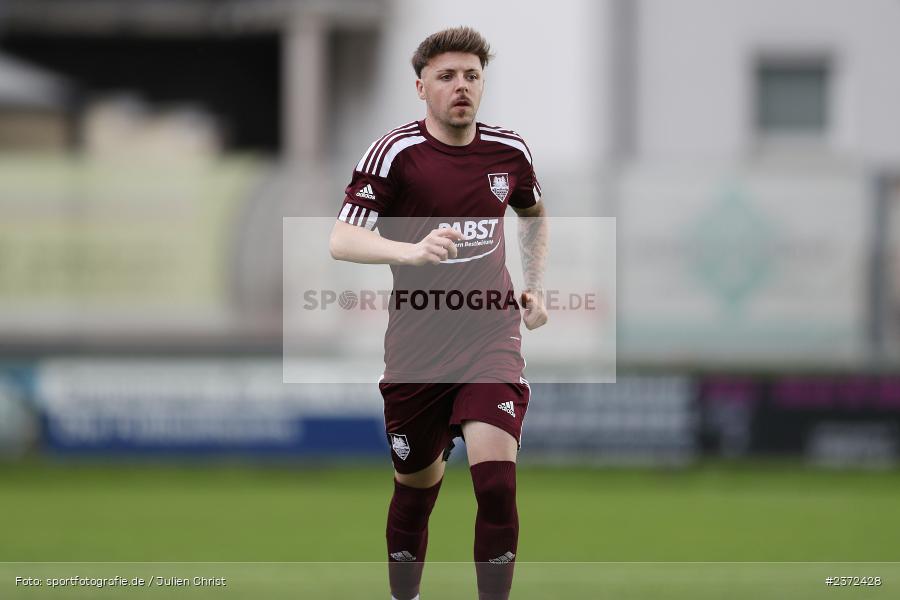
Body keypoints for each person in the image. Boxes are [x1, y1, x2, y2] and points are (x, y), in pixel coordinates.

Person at [329, 26, 549, 600]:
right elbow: (341, 240)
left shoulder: (509, 153)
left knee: (496, 483)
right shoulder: (395, 154)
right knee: (415, 489)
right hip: (417, 352)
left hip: (490, 337)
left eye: (472, 76)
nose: (461, 87)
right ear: (421, 86)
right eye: (447, 76)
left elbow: (534, 214)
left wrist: (536, 286)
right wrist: (409, 249)